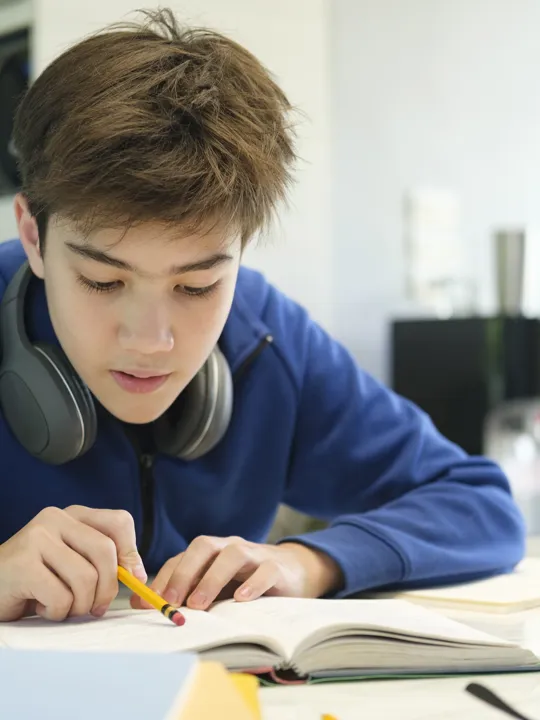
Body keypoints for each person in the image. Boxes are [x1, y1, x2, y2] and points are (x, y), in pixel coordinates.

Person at [0, 8, 525, 624]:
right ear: (33, 235)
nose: (151, 341)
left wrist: (309, 562)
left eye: (197, 285)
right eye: (103, 280)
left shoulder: (268, 334)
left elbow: (480, 504)